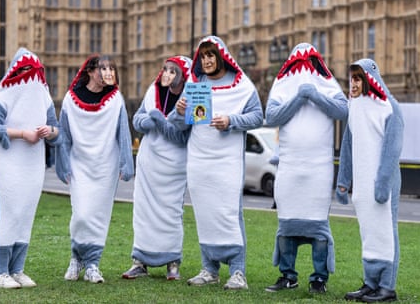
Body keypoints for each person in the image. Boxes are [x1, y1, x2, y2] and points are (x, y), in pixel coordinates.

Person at [169, 35, 263, 290]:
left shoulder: (242, 86)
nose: (207, 60)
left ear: (221, 57)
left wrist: (231, 121)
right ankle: (209, 269)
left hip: (227, 162)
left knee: (230, 213)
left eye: (211, 55)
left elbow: (257, 117)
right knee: (204, 212)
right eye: (203, 56)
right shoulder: (195, 84)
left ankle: (238, 272)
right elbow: (179, 125)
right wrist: (178, 112)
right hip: (199, 160)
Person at [265, 42, 348, 294]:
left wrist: (314, 94)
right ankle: (288, 275)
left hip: (318, 169)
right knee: (287, 224)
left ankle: (318, 279)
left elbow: (343, 110)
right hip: (290, 167)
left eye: (308, 61)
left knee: (317, 225)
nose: (303, 67)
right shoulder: (282, 86)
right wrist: (300, 97)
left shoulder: (327, 84)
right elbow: (272, 117)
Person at [0, 47, 60, 289]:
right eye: (27, 70)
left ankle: (17, 269)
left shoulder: (44, 95)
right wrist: (21, 134)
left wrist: (50, 132)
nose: (33, 76)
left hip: (33, 165)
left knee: (25, 215)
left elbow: (56, 131)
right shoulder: (4, 92)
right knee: (9, 214)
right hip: (7, 163)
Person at [56, 54, 134, 284]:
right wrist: (63, 164)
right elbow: (64, 134)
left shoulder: (116, 99)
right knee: (81, 214)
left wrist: (126, 163)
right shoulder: (71, 100)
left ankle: (92, 264)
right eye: (103, 68)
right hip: (80, 164)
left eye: (111, 68)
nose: (108, 73)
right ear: (90, 71)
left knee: (99, 216)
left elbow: (123, 132)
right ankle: (76, 257)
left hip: (105, 166)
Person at [336, 59, 403, 302]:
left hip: (382, 184)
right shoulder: (354, 105)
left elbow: (392, 148)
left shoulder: (389, 107)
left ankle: (387, 287)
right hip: (362, 185)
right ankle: (370, 282)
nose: (352, 83)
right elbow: (348, 144)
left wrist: (383, 183)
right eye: (350, 78)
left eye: (357, 78)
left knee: (385, 231)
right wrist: (343, 181)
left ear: (368, 78)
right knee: (368, 233)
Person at [121, 56, 191, 280]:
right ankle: (139, 260)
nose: (167, 74)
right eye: (165, 69)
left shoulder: (190, 98)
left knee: (171, 213)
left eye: (173, 71)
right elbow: (137, 120)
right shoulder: (153, 91)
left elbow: (182, 137)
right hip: (149, 161)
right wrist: (149, 121)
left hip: (174, 165)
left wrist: (160, 120)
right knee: (143, 212)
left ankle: (172, 262)